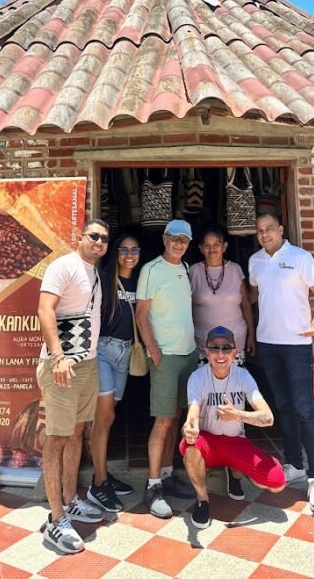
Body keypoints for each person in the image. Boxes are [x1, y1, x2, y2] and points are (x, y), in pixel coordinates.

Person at [36, 219, 110, 555]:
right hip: (63, 364)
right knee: (57, 437)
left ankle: (70, 500)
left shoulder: (94, 272)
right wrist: (57, 356)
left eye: (104, 239)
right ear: (80, 238)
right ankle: (55, 519)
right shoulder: (63, 266)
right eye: (93, 236)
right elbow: (45, 310)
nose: (99, 242)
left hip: (88, 362)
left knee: (77, 431)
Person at [249, 213, 314, 513]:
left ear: (281, 230)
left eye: (269, 229)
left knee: (304, 409)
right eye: (259, 231)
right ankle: (294, 463)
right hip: (269, 345)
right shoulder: (255, 262)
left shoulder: (300, 257)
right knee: (283, 406)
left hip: (297, 345)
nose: (264, 234)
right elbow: (254, 296)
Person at [180, 326, 286, 528]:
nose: (221, 354)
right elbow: (192, 414)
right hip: (208, 441)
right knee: (190, 447)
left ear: (235, 353)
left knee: (277, 483)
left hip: (236, 440)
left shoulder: (243, 376)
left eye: (226, 348)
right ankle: (203, 500)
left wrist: (236, 414)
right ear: (207, 351)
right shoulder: (197, 377)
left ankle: (236, 472)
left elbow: (268, 417)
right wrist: (190, 429)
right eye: (215, 348)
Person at [135, 219, 198, 518]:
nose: (178, 243)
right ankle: (153, 485)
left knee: (176, 418)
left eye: (184, 239)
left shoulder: (185, 269)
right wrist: (154, 351)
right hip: (166, 356)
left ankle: (170, 474)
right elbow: (141, 314)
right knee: (162, 422)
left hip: (188, 354)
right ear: (164, 238)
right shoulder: (150, 269)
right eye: (174, 238)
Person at [87, 233, 141, 513]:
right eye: (124, 249)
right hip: (104, 351)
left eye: (134, 250)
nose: (129, 255)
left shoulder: (140, 280)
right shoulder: (103, 278)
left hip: (126, 353)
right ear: (116, 252)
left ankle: (103, 474)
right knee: (104, 417)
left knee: (109, 416)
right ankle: (98, 482)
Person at [189, 226, 255, 364]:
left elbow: (246, 305)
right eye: (207, 245)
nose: (212, 249)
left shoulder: (235, 269)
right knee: (204, 384)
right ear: (201, 248)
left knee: (235, 383)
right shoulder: (193, 271)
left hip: (235, 343)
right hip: (203, 345)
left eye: (216, 245)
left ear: (224, 247)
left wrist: (252, 336)